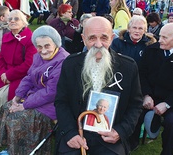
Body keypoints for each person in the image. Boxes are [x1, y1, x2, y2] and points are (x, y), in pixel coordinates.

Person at [54, 16, 143, 155]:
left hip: (110, 136)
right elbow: (61, 102)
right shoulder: (70, 64)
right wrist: (70, 133)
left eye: (104, 38)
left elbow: (135, 105)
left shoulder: (128, 67)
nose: (98, 44)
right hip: (76, 132)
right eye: (92, 38)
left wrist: (120, 131)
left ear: (112, 38)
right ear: (83, 38)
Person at [0, 25, 69, 155]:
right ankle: (12, 148)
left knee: (19, 118)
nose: (43, 50)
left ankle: (25, 151)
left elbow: (51, 92)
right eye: (39, 46)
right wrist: (17, 96)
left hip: (53, 103)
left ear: (56, 44)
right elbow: (29, 77)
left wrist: (24, 105)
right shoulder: (38, 57)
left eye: (47, 45)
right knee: (7, 108)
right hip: (37, 97)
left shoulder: (62, 61)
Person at [130, 23, 173, 154]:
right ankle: (132, 142)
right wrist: (146, 94)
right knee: (133, 112)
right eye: (160, 36)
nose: (160, 40)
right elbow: (141, 74)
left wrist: (168, 104)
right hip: (150, 95)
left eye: (164, 37)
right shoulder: (152, 50)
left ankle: (167, 152)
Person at [0, 10, 37, 131]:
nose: (12, 21)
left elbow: (29, 64)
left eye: (16, 19)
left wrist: (9, 75)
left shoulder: (30, 39)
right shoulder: (7, 37)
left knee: (3, 96)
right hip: (5, 74)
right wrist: (3, 73)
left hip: (22, 76)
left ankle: (5, 124)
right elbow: (1, 58)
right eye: (10, 19)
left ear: (23, 22)